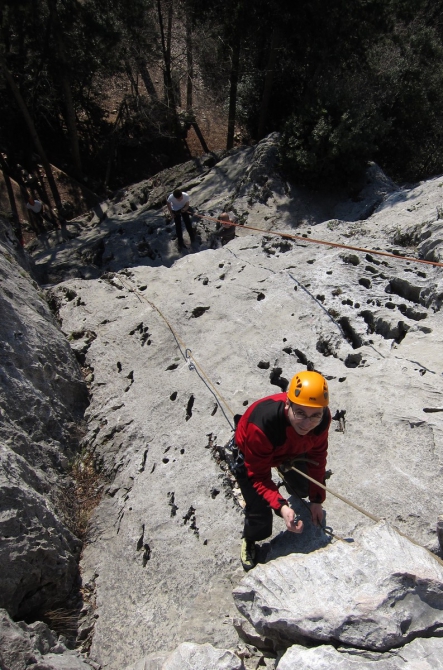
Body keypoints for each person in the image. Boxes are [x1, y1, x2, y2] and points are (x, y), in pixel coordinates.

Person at [232, 370, 331, 571]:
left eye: (315, 416)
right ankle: (251, 539)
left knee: (303, 489)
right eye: (300, 413)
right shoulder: (262, 426)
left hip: (289, 450)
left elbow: (317, 459)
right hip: (253, 452)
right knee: (259, 509)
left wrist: (316, 500)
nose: (307, 424)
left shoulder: (321, 421)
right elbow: (258, 476)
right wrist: (282, 507)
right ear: (288, 404)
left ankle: (284, 469)